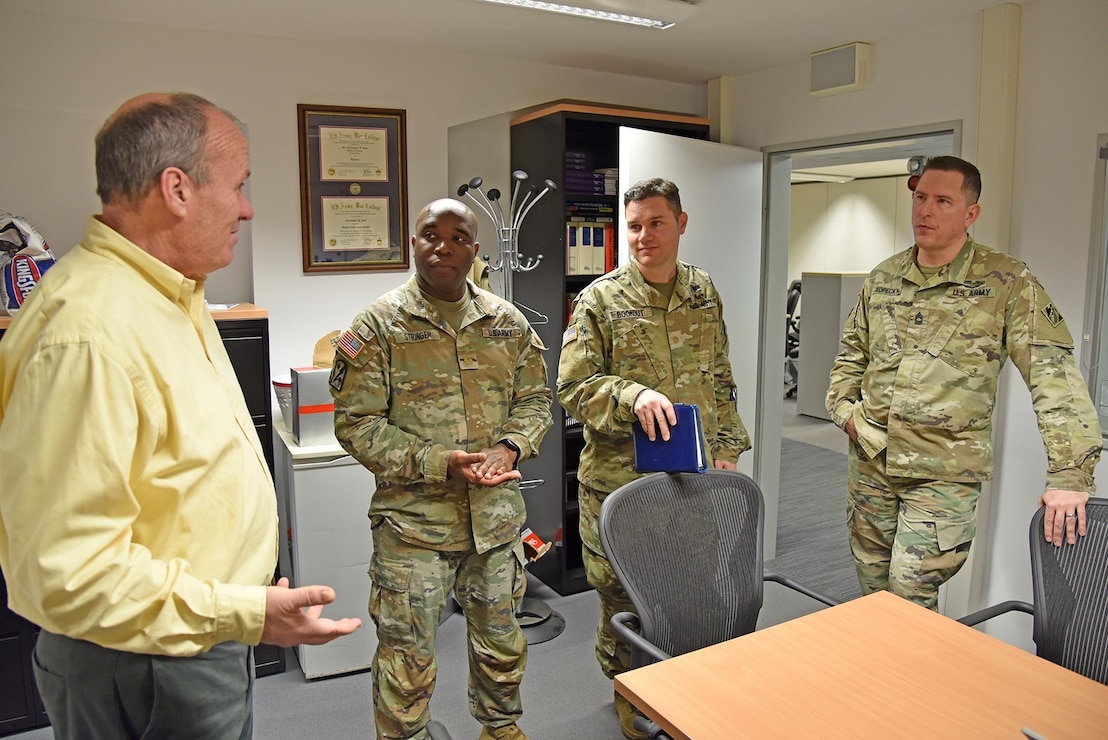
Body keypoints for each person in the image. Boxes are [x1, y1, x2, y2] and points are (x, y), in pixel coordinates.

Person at [0, 92, 361, 739]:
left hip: (190, 641)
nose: (248, 208)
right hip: (140, 666)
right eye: (240, 185)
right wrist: (240, 607)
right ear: (177, 190)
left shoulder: (170, 291)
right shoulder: (88, 333)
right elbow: (73, 575)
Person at [826, 155, 1102, 611]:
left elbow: (1053, 375)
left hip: (943, 474)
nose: (924, 211)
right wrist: (848, 417)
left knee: (909, 594)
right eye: (919, 198)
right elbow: (848, 361)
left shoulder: (1006, 282)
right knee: (873, 599)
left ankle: (918, 682)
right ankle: (887, 682)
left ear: (970, 213)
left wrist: (1070, 473)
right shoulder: (883, 278)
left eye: (942, 201)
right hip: (871, 466)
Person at [330, 198, 552, 740]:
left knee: (502, 648)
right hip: (414, 528)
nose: (443, 246)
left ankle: (501, 730)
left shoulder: (507, 323)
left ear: (476, 251)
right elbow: (356, 424)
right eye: (431, 234)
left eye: (458, 237)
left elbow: (536, 400)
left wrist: (511, 448)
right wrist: (439, 463)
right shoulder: (377, 325)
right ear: (414, 243)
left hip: (496, 526)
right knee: (406, 661)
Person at [556, 177, 749, 739]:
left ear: (681, 224)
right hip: (620, 487)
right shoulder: (601, 300)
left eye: (656, 223)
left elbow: (719, 379)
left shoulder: (703, 291)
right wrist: (631, 395)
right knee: (625, 600)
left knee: (691, 590)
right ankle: (633, 703)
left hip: (693, 479)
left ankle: (684, 693)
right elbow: (573, 387)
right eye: (634, 226)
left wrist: (729, 448)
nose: (643, 236)